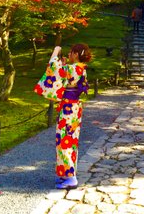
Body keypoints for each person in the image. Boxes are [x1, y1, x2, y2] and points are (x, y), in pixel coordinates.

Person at [34, 42, 92, 190]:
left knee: (64, 141)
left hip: (68, 108)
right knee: (70, 142)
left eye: (71, 52)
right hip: (74, 107)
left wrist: (56, 51)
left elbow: (54, 68)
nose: (69, 54)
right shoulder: (80, 68)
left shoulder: (72, 68)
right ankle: (66, 174)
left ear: (77, 54)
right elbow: (65, 77)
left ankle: (70, 177)